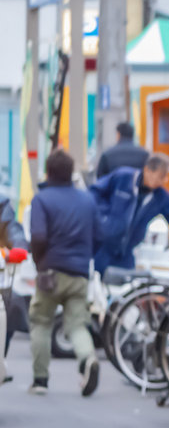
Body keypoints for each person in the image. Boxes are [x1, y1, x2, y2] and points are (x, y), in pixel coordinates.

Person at [27, 149, 99, 396]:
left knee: (41, 321)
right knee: (77, 325)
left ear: (48, 172)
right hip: (79, 273)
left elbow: (38, 236)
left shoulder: (42, 199)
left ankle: (40, 380)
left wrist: (39, 262)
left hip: (50, 271)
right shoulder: (87, 200)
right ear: (71, 172)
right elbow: (99, 235)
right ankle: (87, 359)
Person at [90, 154, 169, 273]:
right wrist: (103, 218)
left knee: (126, 287)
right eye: (161, 176)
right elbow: (93, 193)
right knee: (96, 285)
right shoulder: (123, 177)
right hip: (102, 249)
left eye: (166, 177)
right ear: (147, 170)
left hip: (126, 253)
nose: (164, 181)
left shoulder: (160, 197)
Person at [0, 191, 26, 385]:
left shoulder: (1, 204)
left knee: (14, 306)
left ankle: (1, 358)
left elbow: (13, 229)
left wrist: (18, 246)